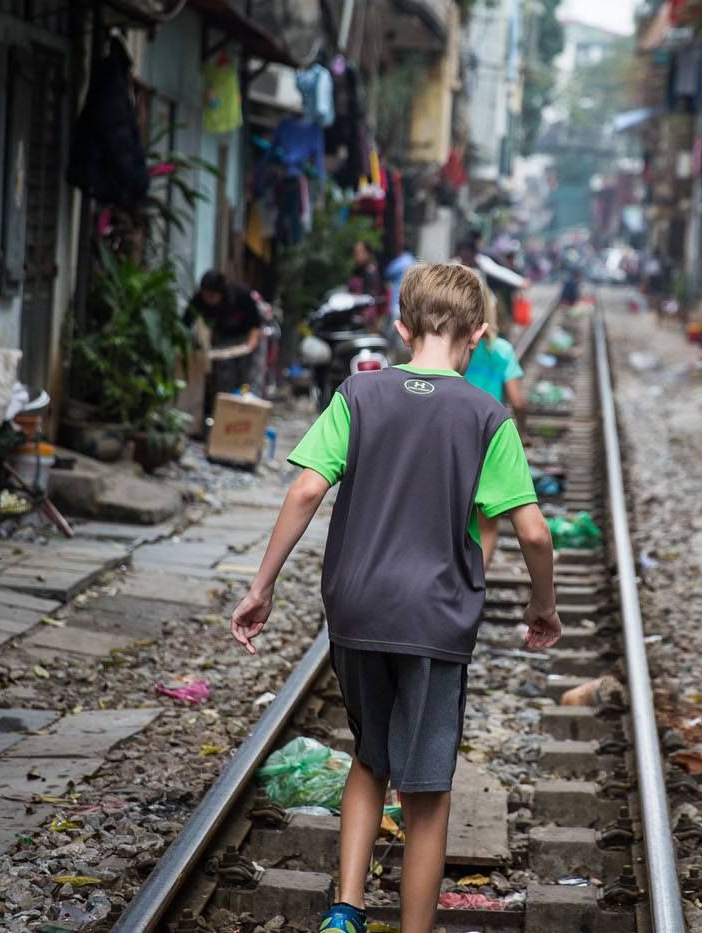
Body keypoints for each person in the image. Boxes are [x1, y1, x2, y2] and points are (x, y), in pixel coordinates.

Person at [228, 262, 562, 933]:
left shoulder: (359, 393)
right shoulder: (485, 415)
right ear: (477, 336)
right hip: (435, 617)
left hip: (356, 608)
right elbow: (532, 531)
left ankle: (344, 911)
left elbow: (303, 490)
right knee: (428, 793)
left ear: (402, 327)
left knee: (370, 756)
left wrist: (261, 585)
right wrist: (542, 605)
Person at [186, 270, 262, 406]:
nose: (208, 299)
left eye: (212, 296)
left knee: (248, 378)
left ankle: (250, 412)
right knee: (223, 379)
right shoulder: (199, 299)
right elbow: (185, 323)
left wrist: (250, 345)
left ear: (221, 293)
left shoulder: (241, 294)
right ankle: (223, 413)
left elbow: (255, 325)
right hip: (222, 340)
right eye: (206, 295)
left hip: (245, 338)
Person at [464, 290, 528, 433]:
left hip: (460, 422)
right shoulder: (502, 349)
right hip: (490, 425)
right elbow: (517, 402)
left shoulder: (459, 347)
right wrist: (522, 431)